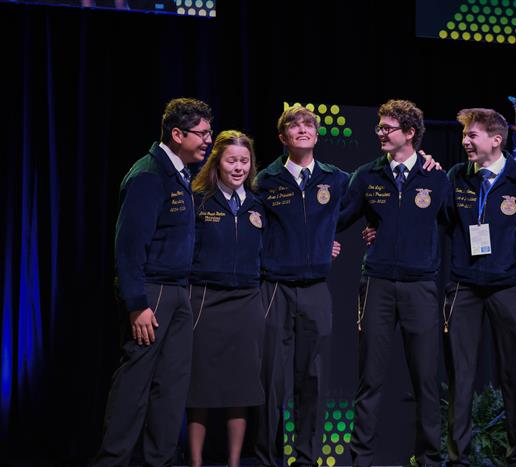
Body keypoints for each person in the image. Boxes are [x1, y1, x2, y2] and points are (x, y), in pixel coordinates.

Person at [93, 97, 212, 467]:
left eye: (209, 133)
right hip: (152, 294)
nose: (208, 140)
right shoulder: (148, 175)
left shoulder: (181, 174)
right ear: (177, 134)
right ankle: (112, 461)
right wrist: (137, 304)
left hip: (178, 292)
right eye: (201, 133)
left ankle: (159, 461)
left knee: (172, 387)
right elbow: (129, 247)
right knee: (135, 385)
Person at [338, 99, 449, 467]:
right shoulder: (366, 176)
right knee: (369, 379)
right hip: (377, 285)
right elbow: (338, 218)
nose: (380, 133)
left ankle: (430, 458)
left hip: (421, 286)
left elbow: (458, 223)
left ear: (410, 133)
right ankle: (361, 460)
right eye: (380, 127)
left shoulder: (436, 177)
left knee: (426, 381)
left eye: (388, 128)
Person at [253, 105, 350, 467]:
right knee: (271, 380)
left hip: (315, 289)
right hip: (274, 289)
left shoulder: (336, 179)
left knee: (313, 378)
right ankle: (268, 459)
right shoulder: (264, 180)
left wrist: (327, 241)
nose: (303, 129)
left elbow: (369, 203)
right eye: (294, 126)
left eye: (309, 124)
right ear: (283, 137)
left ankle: (307, 459)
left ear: (317, 134)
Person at [442, 108, 516, 466]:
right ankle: (458, 458)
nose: (464, 141)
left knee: (514, 373)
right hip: (464, 286)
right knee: (461, 375)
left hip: (507, 287)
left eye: (472, 135)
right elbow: (437, 218)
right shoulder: (456, 176)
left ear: (496, 140)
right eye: (464, 135)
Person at [186, 130, 266, 467]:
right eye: (232, 160)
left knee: (241, 387)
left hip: (247, 302)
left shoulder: (258, 204)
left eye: (244, 161)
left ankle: (234, 462)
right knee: (200, 387)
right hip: (206, 300)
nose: (238, 167)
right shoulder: (199, 200)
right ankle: (195, 462)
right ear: (217, 161)